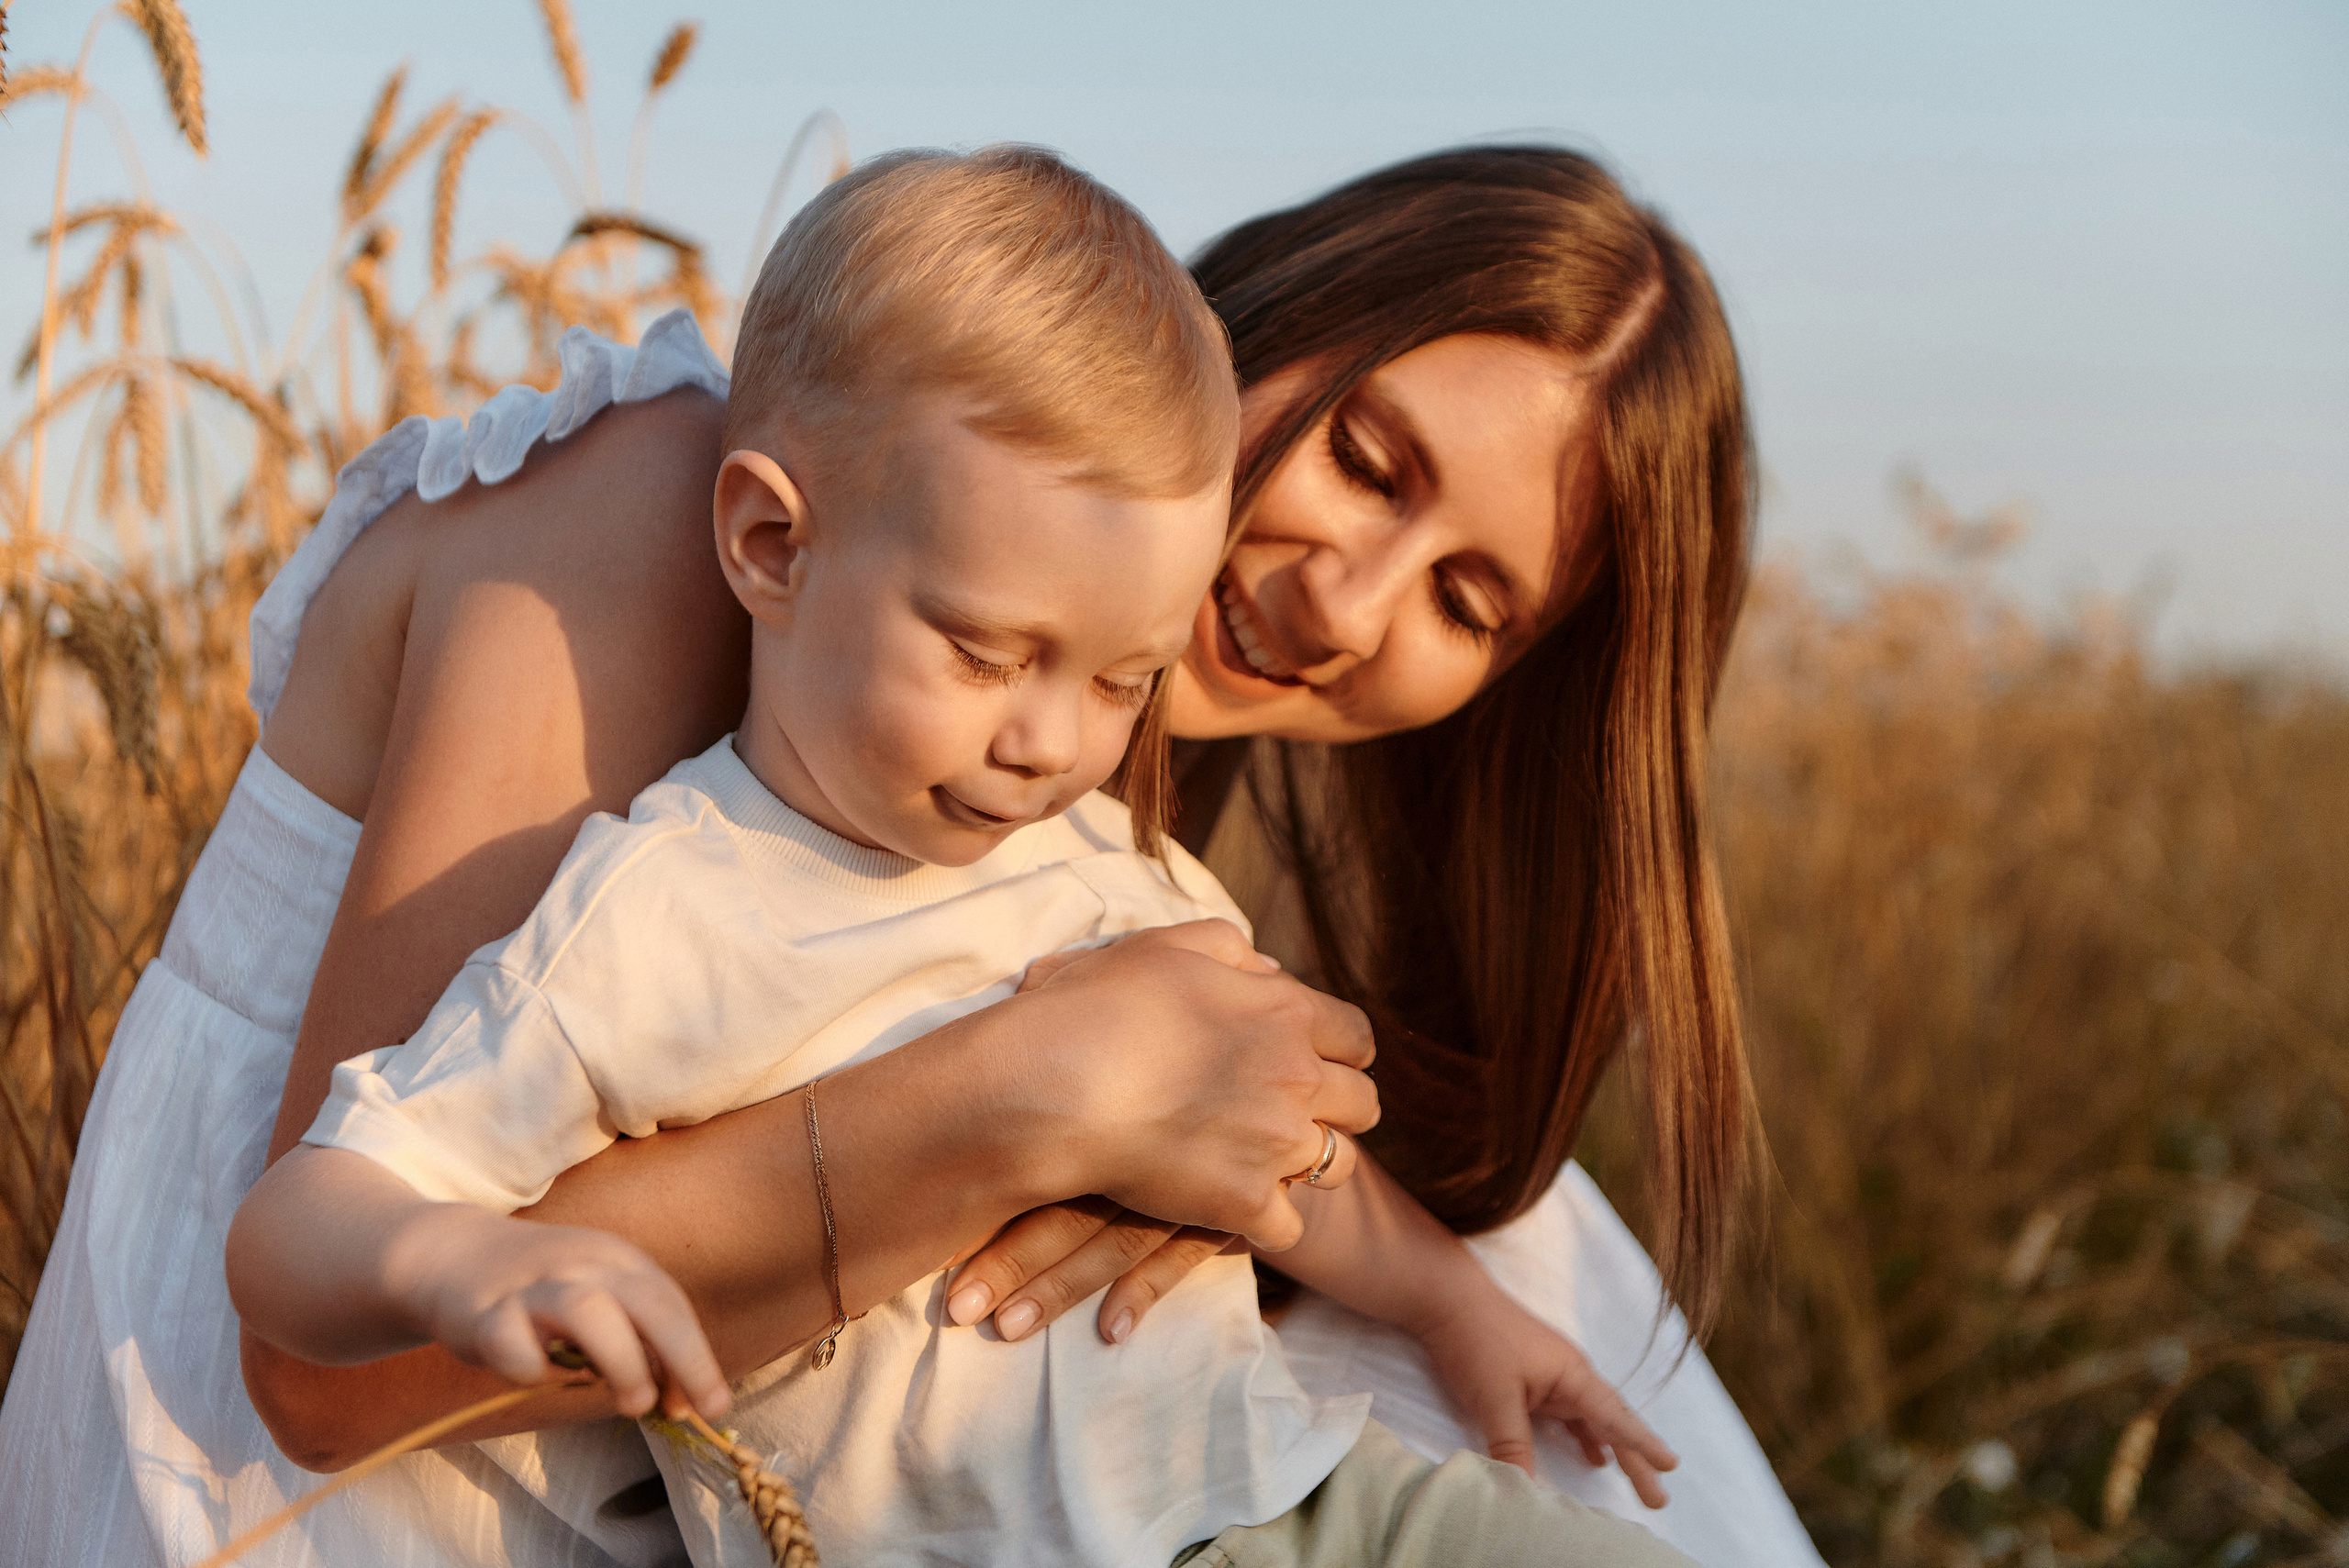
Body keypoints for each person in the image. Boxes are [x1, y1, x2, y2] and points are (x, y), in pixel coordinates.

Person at [0, 145, 1822, 1568]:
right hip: (291, 1490)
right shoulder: (672, 511)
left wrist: (1153, 1159)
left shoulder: (1042, 787)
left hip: (710, 1480)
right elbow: (333, 1378)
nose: (1341, 598)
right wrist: (1017, 1109)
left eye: (1465, 601)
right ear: (1269, 312)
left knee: (1523, 1269)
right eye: (1360, 456)